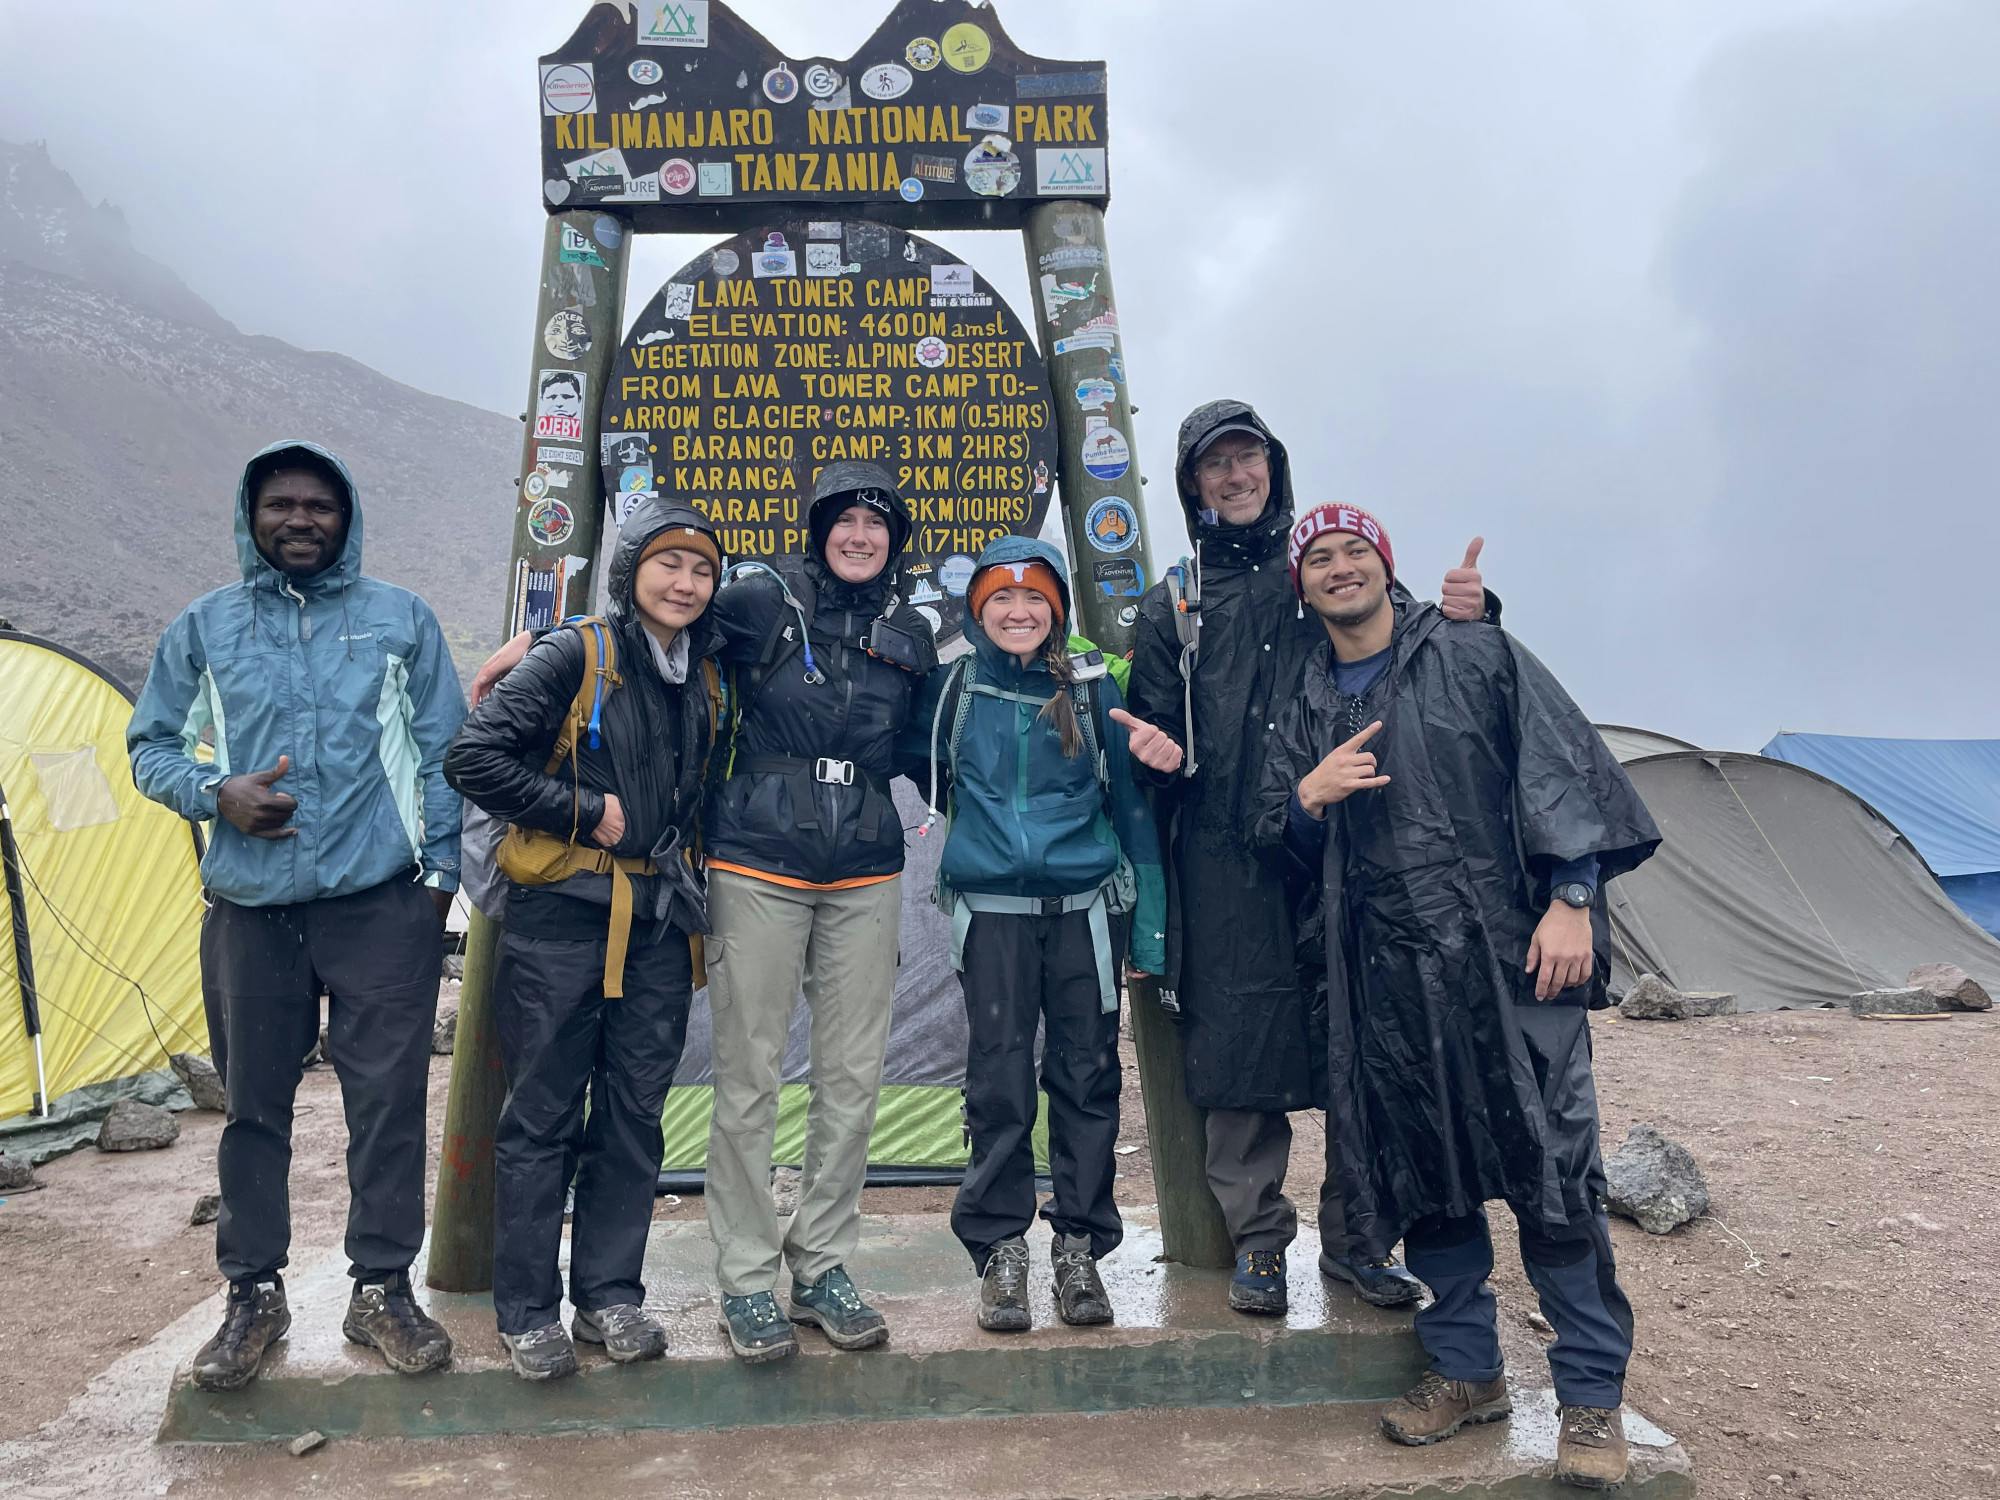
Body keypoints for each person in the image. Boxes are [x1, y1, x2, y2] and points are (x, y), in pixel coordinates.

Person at [469, 461, 938, 1364]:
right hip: (755, 863)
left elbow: (930, 741)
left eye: (878, 524)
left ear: (895, 542)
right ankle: (750, 1278)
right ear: (816, 528)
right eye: (843, 518)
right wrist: (543, 642)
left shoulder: (910, 633)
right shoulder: (758, 604)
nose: (860, 535)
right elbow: (651, 631)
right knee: (749, 1076)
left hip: (866, 872)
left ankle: (826, 1265)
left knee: (851, 1080)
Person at [1254, 502, 1660, 1490]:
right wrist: (1306, 799)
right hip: (1388, 977)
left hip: (1508, 958)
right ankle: (1468, 1372)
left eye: (1355, 551)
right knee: (1427, 1173)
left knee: (1553, 1176)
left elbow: (1558, 766)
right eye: (1318, 558)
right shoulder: (1306, 700)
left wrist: (1569, 897)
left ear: (1383, 568)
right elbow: (1281, 847)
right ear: (1300, 587)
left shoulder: (1474, 652)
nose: (1338, 567)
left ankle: (1590, 1401)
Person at [1122, 400, 1489, 1315]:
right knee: (1240, 1053)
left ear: (1274, 470)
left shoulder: (1321, 566)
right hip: (1223, 858)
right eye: (1216, 466)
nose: (1236, 476)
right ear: (1192, 486)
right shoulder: (1173, 603)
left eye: (1249, 459)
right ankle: (1258, 1244)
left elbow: (1417, 649)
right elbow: (1154, 725)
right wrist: (1153, 754)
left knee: (1364, 1043)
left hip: (1347, 840)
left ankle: (1361, 1239)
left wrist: (1477, 616)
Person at [128, 440, 463, 1392]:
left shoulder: (399, 621)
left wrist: (436, 881)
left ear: (346, 517)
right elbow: (150, 746)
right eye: (282, 504)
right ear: (252, 515)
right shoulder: (205, 628)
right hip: (251, 911)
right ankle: (253, 1297)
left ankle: (382, 1290)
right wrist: (214, 792)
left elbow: (447, 755)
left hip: (381, 908)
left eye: (320, 505)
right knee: (252, 1112)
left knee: (388, 1106)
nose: (301, 519)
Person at [444, 498, 722, 1381]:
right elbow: (473, 758)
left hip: (657, 923)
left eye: (702, 570)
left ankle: (609, 1296)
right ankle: (526, 1311)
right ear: (630, 567)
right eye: (668, 563)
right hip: (561, 919)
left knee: (636, 1116)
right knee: (542, 1113)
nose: (684, 583)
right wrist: (581, 809)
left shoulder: (705, 673)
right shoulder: (576, 653)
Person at [904, 538, 1168, 1332]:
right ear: (977, 609)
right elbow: (929, 779)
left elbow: (1131, 812)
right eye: (1000, 601)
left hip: (1085, 913)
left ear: (1056, 610)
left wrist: (1148, 933)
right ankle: (1000, 1252)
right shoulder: (950, 689)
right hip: (991, 918)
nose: (1018, 614)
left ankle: (1080, 1248)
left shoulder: (1095, 692)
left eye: (1034, 601)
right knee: (997, 1083)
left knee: (1088, 1081)